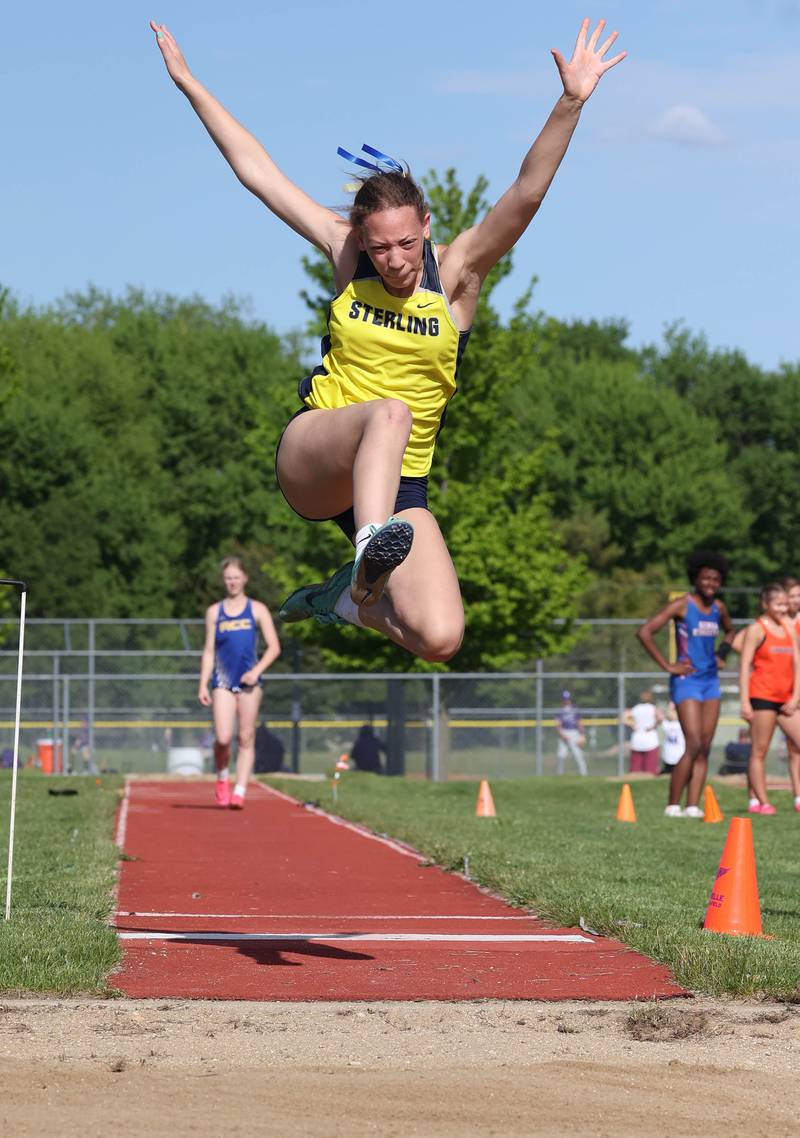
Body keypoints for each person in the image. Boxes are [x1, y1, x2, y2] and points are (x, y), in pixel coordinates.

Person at [150, 19, 626, 662]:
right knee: (390, 412)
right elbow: (257, 171)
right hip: (320, 452)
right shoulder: (351, 258)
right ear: (361, 241)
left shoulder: (455, 275)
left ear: (426, 227)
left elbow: (527, 192)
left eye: (406, 243)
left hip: (401, 483)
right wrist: (188, 83)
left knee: (441, 637)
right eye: (380, 247)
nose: (395, 260)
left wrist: (570, 102)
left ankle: (346, 598)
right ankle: (370, 549)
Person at [636, 551, 735, 818]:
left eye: (715, 579)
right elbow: (644, 632)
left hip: (710, 682)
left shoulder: (719, 608)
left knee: (704, 745)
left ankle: (692, 806)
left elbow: (731, 631)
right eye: (705, 578)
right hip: (686, 681)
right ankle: (672, 805)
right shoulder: (683, 605)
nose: (710, 583)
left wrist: (722, 653)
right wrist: (668, 665)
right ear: (696, 578)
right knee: (692, 743)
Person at [198, 558, 281, 809]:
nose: (232, 582)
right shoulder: (215, 612)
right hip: (222, 679)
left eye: (236, 577)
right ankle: (223, 777)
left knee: (246, 737)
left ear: (245, 578)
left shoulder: (257, 610)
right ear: (224, 581)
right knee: (223, 738)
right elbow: (209, 651)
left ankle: (240, 790)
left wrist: (256, 671)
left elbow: (274, 647)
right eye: (228, 578)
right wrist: (202, 684)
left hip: (249, 682)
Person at [738, 582, 800, 815]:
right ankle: (762, 802)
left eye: (785, 603)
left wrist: (796, 696)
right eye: (778, 604)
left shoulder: (789, 628)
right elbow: (744, 666)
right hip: (762, 696)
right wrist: (745, 701)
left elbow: (797, 663)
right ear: (765, 604)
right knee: (760, 750)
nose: (784, 608)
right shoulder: (757, 629)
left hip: (786, 699)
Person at [623, 691, 663, 775]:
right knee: (650, 769)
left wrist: (633, 725)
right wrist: (653, 725)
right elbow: (660, 718)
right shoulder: (653, 708)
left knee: (635, 768)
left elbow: (623, 717)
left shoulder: (636, 708)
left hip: (637, 738)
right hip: (650, 739)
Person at [555, 691, 587, 775]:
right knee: (561, 755)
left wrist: (582, 735)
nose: (566, 700)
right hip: (564, 732)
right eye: (564, 699)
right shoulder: (560, 711)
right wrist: (562, 734)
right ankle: (559, 775)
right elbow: (558, 725)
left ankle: (584, 774)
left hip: (574, 732)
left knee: (578, 754)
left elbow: (580, 722)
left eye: (567, 699)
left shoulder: (575, 709)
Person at [659, 701, 685, 775]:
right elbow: (660, 717)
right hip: (668, 756)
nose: (670, 713)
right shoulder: (666, 723)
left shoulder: (682, 723)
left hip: (680, 756)